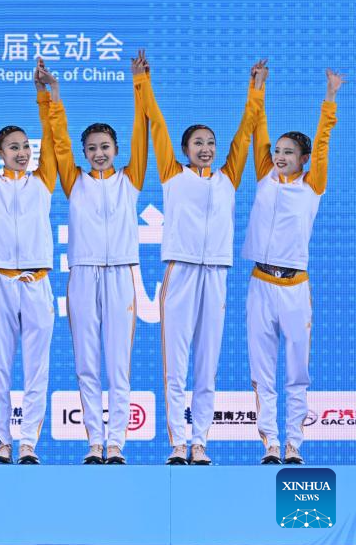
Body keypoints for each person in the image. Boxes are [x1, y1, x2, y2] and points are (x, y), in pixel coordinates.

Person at [143, 59, 261, 466]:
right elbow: (157, 125)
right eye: (198, 142)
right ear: (184, 149)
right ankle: (178, 443)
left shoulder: (228, 177)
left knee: (207, 365)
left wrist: (255, 91)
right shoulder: (172, 174)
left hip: (216, 274)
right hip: (180, 271)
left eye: (210, 142)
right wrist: (144, 82)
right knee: (175, 364)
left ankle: (200, 443)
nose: (206, 147)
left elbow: (245, 134)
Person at [50, 52, 150, 465]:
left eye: (105, 147)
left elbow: (143, 132)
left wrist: (140, 85)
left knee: (118, 364)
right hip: (83, 275)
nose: (98, 153)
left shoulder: (131, 179)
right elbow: (58, 142)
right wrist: (55, 98)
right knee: (87, 363)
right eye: (91, 148)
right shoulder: (74, 181)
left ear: (116, 149)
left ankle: (117, 442)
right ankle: (95, 440)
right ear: (84, 152)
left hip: (120, 275)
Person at [243, 63, 342, 465]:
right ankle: (270, 441)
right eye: (277, 151)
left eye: (289, 152)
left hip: (295, 288)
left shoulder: (312, 185)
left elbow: (323, 141)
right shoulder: (264, 175)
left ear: (303, 158)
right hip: (260, 284)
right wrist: (257, 88)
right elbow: (258, 129)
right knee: (262, 369)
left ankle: (294, 444)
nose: (280, 156)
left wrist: (330, 98)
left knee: (297, 371)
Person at [0, 59, 58, 465]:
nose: (22, 153)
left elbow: (55, 138)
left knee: (37, 370)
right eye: (13, 148)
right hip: (1, 284)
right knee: (0, 369)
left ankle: (28, 444)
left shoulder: (44, 181)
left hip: (38, 283)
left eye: (26, 146)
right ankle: (3, 442)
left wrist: (47, 96)